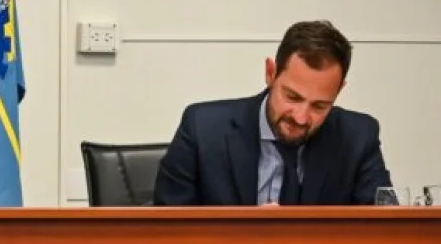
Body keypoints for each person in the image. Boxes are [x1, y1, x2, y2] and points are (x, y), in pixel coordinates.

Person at [153, 20, 392, 206]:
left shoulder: (358, 137)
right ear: (270, 73)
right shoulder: (202, 129)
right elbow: (167, 233)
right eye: (292, 97)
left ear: (339, 91)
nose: (301, 117)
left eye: (319, 106)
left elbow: (387, 231)